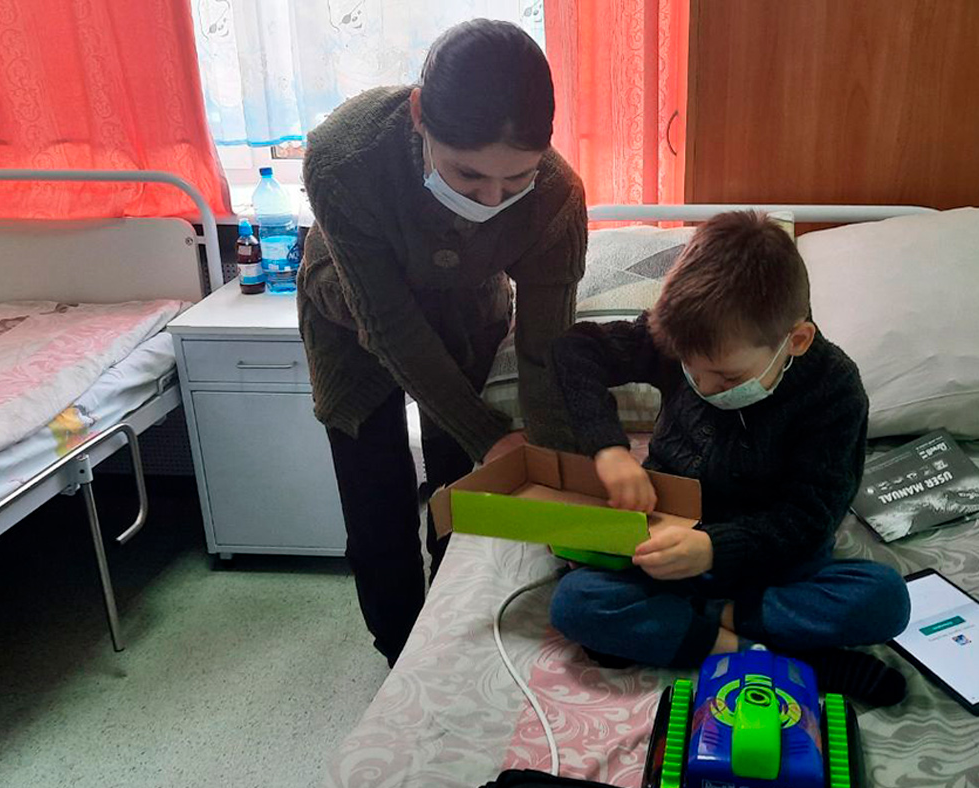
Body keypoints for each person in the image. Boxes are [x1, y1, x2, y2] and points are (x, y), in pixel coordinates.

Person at [298, 20, 587, 666]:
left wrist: (551, 461)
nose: (490, 200)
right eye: (468, 175)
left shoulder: (557, 199)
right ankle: (401, 653)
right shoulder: (344, 157)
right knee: (376, 509)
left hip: (467, 307)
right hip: (352, 312)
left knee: (463, 488)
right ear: (419, 115)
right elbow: (389, 326)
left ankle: (454, 638)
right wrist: (489, 434)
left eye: (515, 181)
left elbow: (546, 351)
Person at [548, 211, 911, 705]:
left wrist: (712, 548)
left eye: (727, 378)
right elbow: (573, 351)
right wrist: (608, 449)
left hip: (771, 558)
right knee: (576, 603)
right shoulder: (687, 335)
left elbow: (809, 519)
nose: (705, 387)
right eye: (691, 370)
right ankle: (781, 657)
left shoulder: (835, 391)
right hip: (666, 536)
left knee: (884, 599)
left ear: (796, 341)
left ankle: (696, 627)